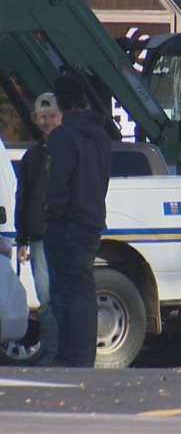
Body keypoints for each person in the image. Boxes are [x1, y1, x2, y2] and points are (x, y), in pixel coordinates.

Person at [43, 74, 112, 367]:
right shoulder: (100, 136)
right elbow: (103, 179)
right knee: (83, 288)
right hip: (92, 219)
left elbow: (59, 182)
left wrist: (52, 213)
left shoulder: (62, 136)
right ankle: (83, 354)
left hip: (67, 223)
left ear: (59, 101)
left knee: (64, 291)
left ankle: (70, 354)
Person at [15, 93, 62, 363]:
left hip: (66, 234)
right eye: (42, 117)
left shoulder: (69, 151)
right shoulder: (31, 156)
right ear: (34, 119)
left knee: (64, 296)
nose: (46, 121)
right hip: (39, 237)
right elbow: (23, 197)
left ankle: (64, 349)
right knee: (46, 298)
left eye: (51, 116)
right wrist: (22, 238)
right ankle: (52, 350)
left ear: (62, 117)